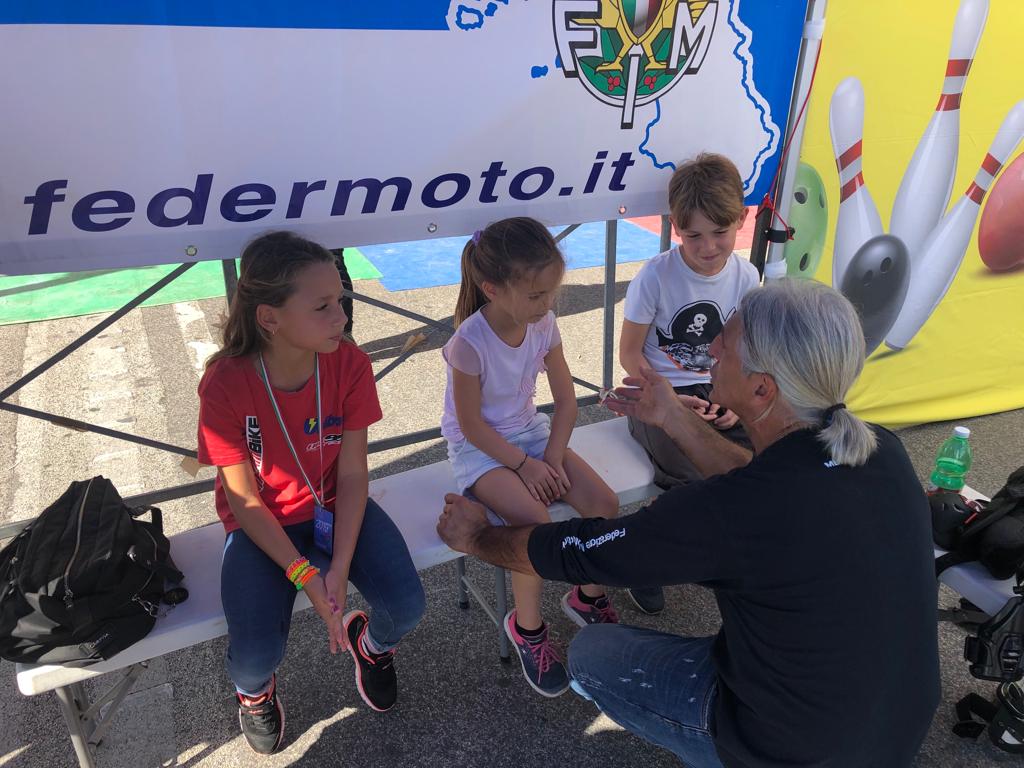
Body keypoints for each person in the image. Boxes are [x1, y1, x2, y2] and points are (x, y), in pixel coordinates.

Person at [438, 279, 941, 767]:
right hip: (898, 727)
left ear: (761, 389)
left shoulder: (730, 511)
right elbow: (763, 481)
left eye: (727, 343)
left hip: (786, 751)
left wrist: (478, 537)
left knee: (593, 653)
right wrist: (675, 418)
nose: (713, 346)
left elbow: (582, 552)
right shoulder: (882, 451)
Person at [197, 231, 425, 755]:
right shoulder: (226, 382)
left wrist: (338, 567)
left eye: (340, 300)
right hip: (262, 525)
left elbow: (353, 476)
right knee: (254, 655)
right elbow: (244, 501)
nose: (341, 316)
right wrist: (305, 574)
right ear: (269, 318)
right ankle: (255, 693)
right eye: (322, 306)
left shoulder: (349, 364)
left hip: (334, 506)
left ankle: (372, 647)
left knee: (407, 606)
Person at [441, 217, 619, 697]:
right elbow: (471, 426)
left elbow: (566, 402)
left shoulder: (544, 324)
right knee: (535, 525)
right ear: (492, 290)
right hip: (480, 451)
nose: (547, 305)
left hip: (531, 436)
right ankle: (527, 628)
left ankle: (587, 598)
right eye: (537, 295)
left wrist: (553, 458)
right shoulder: (469, 343)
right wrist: (524, 466)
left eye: (551, 293)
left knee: (604, 504)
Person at [618, 152, 760, 615]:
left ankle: (739, 552)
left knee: (767, 461)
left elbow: (746, 354)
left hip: (716, 392)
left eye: (719, 232)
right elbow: (629, 353)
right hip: (656, 394)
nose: (708, 247)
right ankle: (645, 561)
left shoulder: (748, 276)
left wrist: (736, 403)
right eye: (694, 235)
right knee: (693, 476)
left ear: (741, 220)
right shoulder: (656, 276)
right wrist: (668, 399)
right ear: (676, 228)